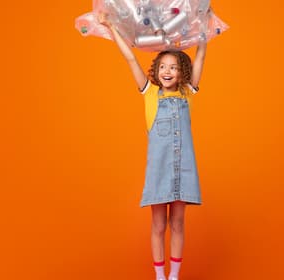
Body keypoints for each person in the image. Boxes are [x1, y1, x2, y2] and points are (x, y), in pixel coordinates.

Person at [98, 13, 207, 280]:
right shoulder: (149, 94)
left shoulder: (187, 93)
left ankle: (174, 276)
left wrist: (205, 29)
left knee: (178, 224)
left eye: (173, 67)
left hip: (183, 170)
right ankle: (160, 276)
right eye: (162, 67)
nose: (167, 71)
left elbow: (201, 57)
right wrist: (111, 26)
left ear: (183, 71)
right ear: (156, 72)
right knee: (158, 225)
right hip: (159, 171)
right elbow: (130, 58)